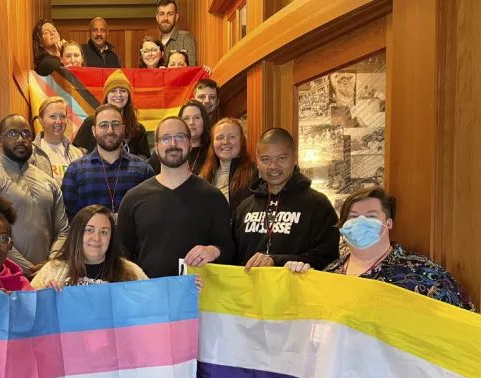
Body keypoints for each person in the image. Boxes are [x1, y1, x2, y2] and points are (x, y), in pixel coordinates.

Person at [285, 187, 473, 310]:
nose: (361, 222)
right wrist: (299, 282)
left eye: (371, 216)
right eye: (353, 217)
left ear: (388, 223)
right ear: (343, 225)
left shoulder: (424, 273)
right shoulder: (330, 274)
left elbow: (463, 325)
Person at [117, 116, 236, 278]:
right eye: (166, 138)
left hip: (199, 297)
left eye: (180, 137)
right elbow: (121, 258)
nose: (173, 144)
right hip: (149, 297)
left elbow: (229, 250)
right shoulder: (133, 199)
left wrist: (213, 251)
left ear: (190, 143)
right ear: (157, 147)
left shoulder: (213, 198)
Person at [0, 114, 69, 278]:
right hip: (4, 277)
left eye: (26, 134)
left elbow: (63, 230)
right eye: (12, 134)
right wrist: (26, 269)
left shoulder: (48, 181)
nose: (21, 139)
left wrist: (51, 264)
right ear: (0, 140)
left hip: (47, 279)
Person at [233, 128, 339, 271]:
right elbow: (232, 256)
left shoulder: (318, 205)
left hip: (296, 291)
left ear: (294, 157)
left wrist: (276, 261)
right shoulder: (244, 208)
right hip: (250, 291)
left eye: (281, 158)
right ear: (257, 161)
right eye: (266, 159)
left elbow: (328, 258)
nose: (273, 166)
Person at [62, 104, 154, 221]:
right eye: (103, 125)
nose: (110, 130)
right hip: (90, 239)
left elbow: (150, 215)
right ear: (94, 131)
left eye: (116, 124)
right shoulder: (75, 170)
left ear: (123, 129)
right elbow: (68, 218)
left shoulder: (143, 170)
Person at [32, 204, 148, 289]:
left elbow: (152, 304)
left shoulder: (132, 272)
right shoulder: (52, 269)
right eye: (89, 230)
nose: (96, 238)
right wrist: (44, 296)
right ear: (77, 234)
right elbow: (28, 311)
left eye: (104, 232)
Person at [73, 70, 151, 158]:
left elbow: (142, 163)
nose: (118, 95)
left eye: (123, 90)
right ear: (106, 95)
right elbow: (78, 155)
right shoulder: (90, 122)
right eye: (113, 90)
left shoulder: (138, 129)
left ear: (128, 95)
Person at [199, 118, 258, 207]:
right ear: (213, 144)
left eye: (232, 137)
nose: (225, 142)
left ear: (241, 141)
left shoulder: (256, 174)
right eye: (220, 138)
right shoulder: (203, 178)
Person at [30, 97, 84, 186]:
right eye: (52, 116)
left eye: (63, 116)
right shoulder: (32, 153)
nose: (59, 121)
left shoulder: (77, 153)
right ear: (41, 121)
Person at [149, 99, 211, 175]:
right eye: (186, 118)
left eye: (197, 117)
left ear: (204, 121)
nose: (191, 122)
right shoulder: (166, 149)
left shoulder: (212, 151)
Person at [156, 0, 197, 66]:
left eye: (170, 14)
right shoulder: (156, 43)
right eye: (161, 14)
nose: (165, 18)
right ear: (157, 17)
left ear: (176, 17)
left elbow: (192, 69)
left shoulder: (185, 37)